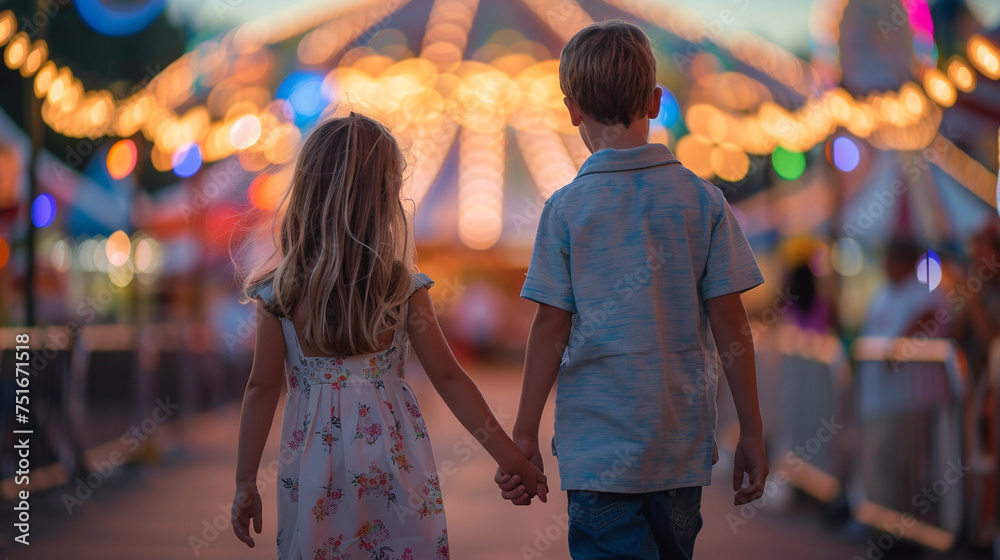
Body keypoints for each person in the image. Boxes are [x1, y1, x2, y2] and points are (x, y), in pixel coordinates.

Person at [494, 20, 769, 560]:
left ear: (572, 109)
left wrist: (523, 435)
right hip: (680, 453)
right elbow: (732, 322)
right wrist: (753, 433)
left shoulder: (566, 209)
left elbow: (550, 326)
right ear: (655, 100)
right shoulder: (704, 202)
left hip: (597, 456)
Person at [230, 114, 546, 559]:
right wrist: (510, 457)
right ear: (384, 200)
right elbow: (450, 379)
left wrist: (246, 482)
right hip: (393, 467)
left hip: (315, 473)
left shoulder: (280, 293)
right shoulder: (401, 289)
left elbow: (262, 387)